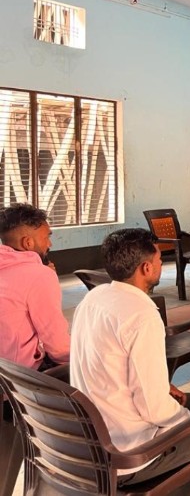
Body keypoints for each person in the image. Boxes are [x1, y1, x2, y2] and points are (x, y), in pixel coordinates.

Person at [70, 228, 190, 485]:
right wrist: (188, 421)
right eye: (159, 259)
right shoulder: (142, 315)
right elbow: (153, 407)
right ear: (146, 268)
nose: (160, 264)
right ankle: (175, 484)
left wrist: (166, 392)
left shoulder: (93, 298)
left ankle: (185, 460)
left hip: (91, 434)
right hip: (128, 455)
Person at [0, 203, 70, 496]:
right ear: (28, 242)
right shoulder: (38, 275)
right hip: (16, 385)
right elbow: (58, 346)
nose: (50, 243)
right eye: (47, 236)